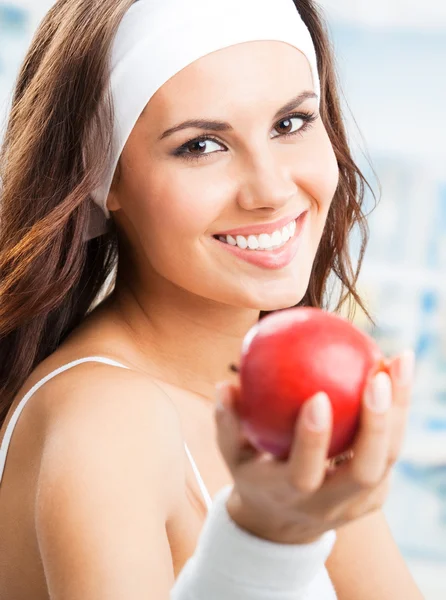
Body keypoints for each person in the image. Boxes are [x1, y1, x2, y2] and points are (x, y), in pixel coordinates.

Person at [0, 0, 423, 598]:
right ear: (105, 178)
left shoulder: (291, 399)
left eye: (291, 123)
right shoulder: (107, 418)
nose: (272, 190)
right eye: (200, 146)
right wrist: (264, 541)